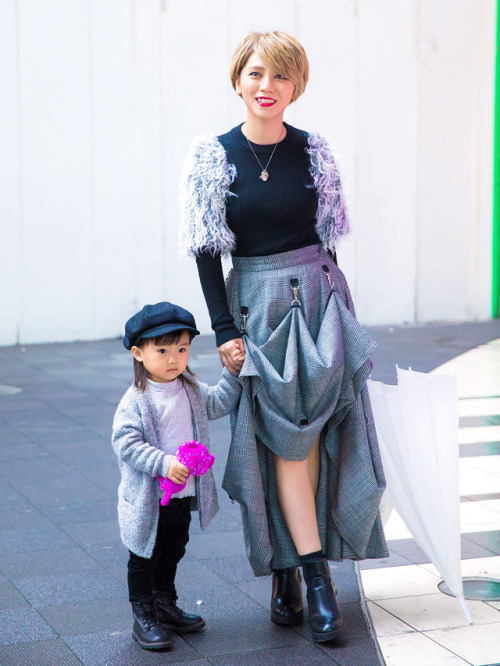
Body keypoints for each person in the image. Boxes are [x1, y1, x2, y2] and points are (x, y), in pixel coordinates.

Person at [179, 31, 388, 643]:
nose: (267, 86)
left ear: (296, 86)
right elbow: (205, 253)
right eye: (256, 74)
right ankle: (310, 576)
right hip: (256, 311)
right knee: (280, 445)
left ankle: (293, 573)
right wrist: (222, 330)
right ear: (238, 80)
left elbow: (330, 236)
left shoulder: (315, 152)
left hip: (319, 304)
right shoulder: (212, 158)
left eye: (281, 76)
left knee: (316, 440)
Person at [112, 301, 243, 651]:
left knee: (173, 548)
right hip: (149, 497)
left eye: (182, 349)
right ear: (139, 353)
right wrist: (163, 463)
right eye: (163, 350)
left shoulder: (189, 388)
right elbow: (125, 443)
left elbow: (217, 403)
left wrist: (233, 373)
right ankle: (143, 614)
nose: (174, 359)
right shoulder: (136, 399)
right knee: (144, 555)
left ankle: (165, 604)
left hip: (181, 495)